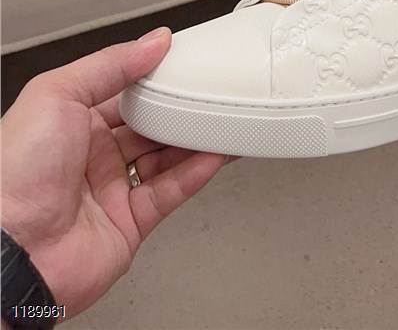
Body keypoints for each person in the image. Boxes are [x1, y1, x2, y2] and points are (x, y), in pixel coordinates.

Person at [2, 27, 231, 324]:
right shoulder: (37, 306)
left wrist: (26, 306)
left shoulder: (30, 308)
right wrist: (32, 305)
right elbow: (31, 312)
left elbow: (27, 313)